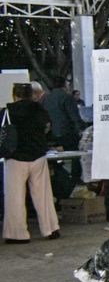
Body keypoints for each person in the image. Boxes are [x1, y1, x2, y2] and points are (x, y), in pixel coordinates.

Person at [3, 83, 61, 243]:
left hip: (15, 158)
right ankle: (51, 229)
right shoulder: (39, 110)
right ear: (31, 95)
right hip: (38, 155)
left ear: (15, 95)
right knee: (43, 196)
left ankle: (17, 234)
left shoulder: (7, 111)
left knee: (15, 197)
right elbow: (47, 128)